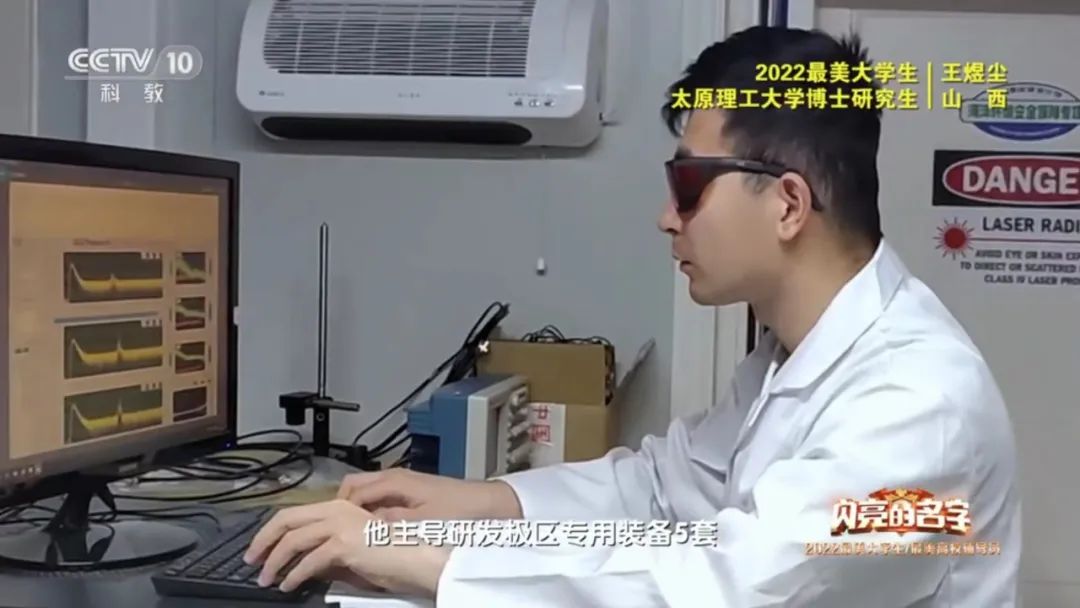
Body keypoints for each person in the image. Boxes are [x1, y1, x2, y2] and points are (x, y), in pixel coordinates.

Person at [243, 25, 1022, 606]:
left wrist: (427, 564)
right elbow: (661, 493)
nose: (665, 218)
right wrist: (477, 505)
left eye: (687, 186)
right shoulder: (790, 358)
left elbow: (736, 586)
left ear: (788, 203)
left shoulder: (919, 407)